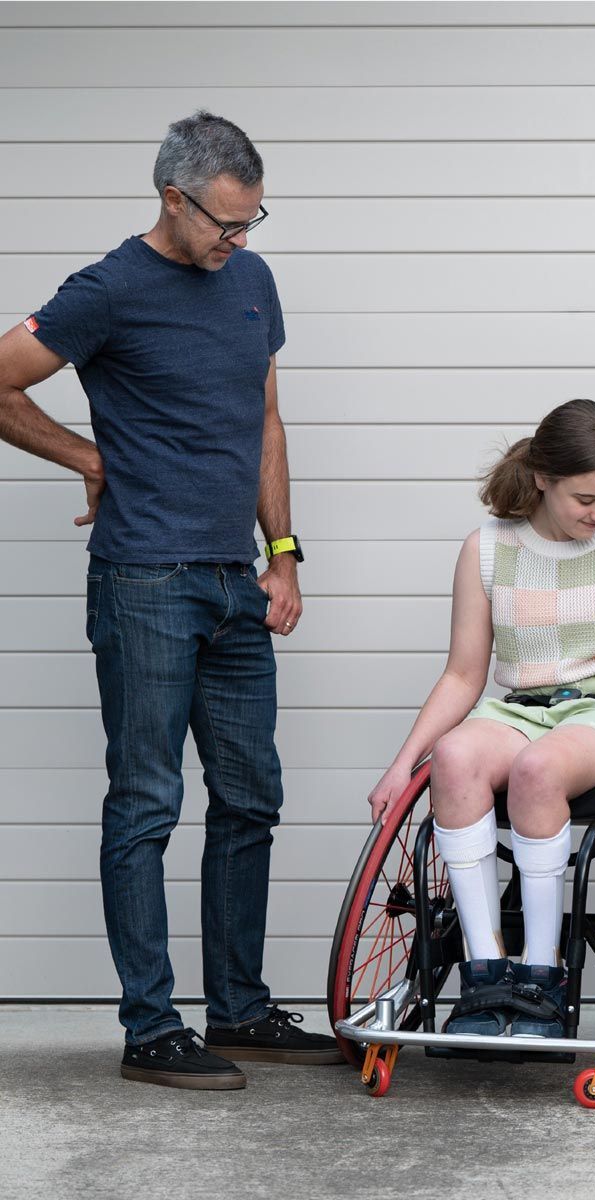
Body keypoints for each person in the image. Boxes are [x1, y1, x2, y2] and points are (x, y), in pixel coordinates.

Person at [0, 112, 339, 1089]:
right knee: (146, 802)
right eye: (225, 224)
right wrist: (85, 456)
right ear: (172, 199)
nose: (239, 242)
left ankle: (236, 1011)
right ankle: (152, 1029)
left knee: (249, 798)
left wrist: (282, 553)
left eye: (251, 222)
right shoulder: (106, 290)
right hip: (145, 580)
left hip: (236, 581)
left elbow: (264, 418)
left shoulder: (252, 284)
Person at [368, 399, 595, 1037]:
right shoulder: (488, 549)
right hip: (526, 707)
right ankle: (484, 972)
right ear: (541, 480)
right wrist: (400, 765)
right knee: (454, 757)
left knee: (537, 770)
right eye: (586, 498)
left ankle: (541, 976)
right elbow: (463, 675)